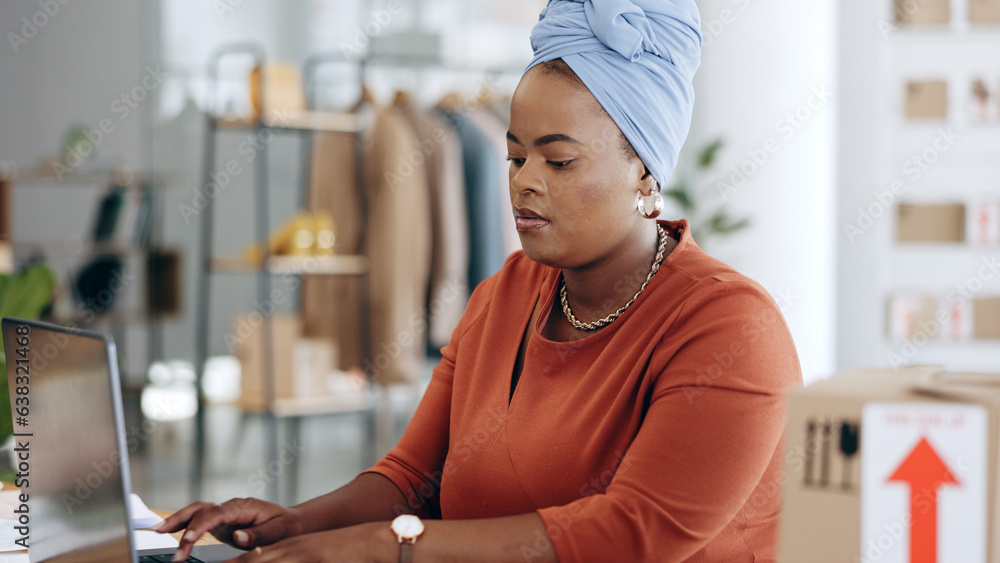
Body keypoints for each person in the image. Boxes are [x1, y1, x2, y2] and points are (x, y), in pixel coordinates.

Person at [158, 0, 802, 561]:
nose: (524, 180)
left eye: (559, 160)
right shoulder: (506, 294)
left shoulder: (729, 327)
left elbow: (633, 536)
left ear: (645, 175)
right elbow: (412, 478)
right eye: (516, 156)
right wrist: (294, 524)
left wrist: (387, 547)